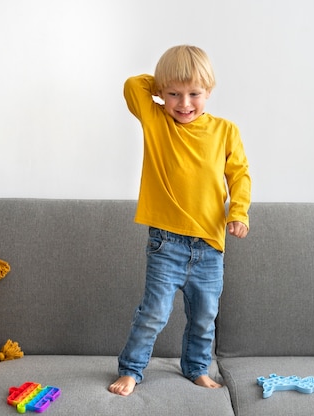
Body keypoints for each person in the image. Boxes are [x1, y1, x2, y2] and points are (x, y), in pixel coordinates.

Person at [108, 45, 251, 396]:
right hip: (166, 244)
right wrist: (159, 84)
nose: (184, 103)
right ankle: (131, 369)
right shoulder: (157, 121)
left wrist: (239, 211)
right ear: (160, 93)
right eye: (173, 94)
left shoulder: (225, 131)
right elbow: (131, 85)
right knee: (154, 314)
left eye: (194, 94)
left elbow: (240, 175)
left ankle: (197, 368)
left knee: (204, 318)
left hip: (210, 248)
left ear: (209, 92)